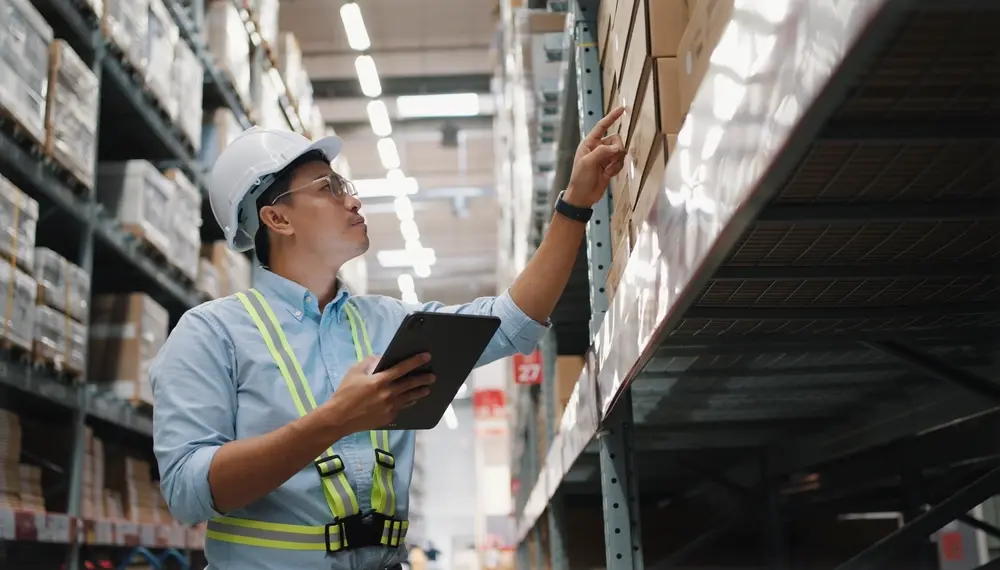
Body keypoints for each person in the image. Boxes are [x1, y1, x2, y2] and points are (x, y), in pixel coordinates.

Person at [150, 106, 625, 570]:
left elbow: (513, 320)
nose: (353, 200)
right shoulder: (210, 334)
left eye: (345, 186)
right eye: (328, 188)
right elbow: (188, 493)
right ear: (278, 219)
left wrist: (575, 204)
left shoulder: (388, 321)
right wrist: (333, 421)